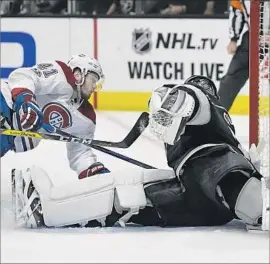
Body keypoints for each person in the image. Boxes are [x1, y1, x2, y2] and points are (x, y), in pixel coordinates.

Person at [11, 75, 269, 231]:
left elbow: (182, 100)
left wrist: (163, 110)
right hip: (210, 206)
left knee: (126, 196)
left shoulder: (201, 98)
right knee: (130, 199)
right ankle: (47, 208)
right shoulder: (223, 118)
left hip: (212, 167)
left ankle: (46, 208)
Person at [0, 54, 109, 179]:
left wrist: (93, 170)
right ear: (79, 75)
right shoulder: (62, 74)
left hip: (10, 138)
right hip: (4, 105)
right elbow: (22, 76)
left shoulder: (86, 119)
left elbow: (80, 154)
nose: (95, 86)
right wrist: (26, 100)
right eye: (93, 79)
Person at [218, 0, 250, 111]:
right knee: (231, 80)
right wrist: (234, 38)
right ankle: (216, 117)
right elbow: (237, 11)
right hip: (252, 37)